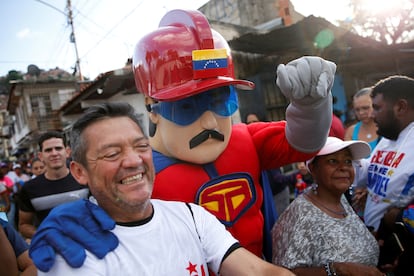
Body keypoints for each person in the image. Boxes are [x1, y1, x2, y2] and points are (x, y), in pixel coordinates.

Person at [28, 9, 336, 269]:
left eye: (220, 100)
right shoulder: (137, 173)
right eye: (187, 105)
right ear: (152, 109)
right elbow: (106, 217)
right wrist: (78, 223)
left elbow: (304, 143)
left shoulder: (246, 140)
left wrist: (311, 107)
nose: (210, 120)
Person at [32, 102, 294, 276]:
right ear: (79, 171)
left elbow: (258, 272)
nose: (134, 161)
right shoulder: (72, 253)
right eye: (112, 153)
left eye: (141, 146)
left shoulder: (192, 217)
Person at [271, 136, 382, 275]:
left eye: (348, 161)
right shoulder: (301, 214)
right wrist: (337, 270)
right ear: (313, 168)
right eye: (332, 161)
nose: (343, 168)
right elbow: (285, 272)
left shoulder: (341, 199)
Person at [353, 75, 414, 274]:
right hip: (376, 245)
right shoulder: (390, 137)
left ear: (401, 107)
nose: (372, 115)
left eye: (377, 108)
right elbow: (372, 169)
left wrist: (396, 219)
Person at [18, 130, 89, 240]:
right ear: (41, 156)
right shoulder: (30, 188)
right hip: (53, 251)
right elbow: (23, 225)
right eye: (48, 150)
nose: (54, 153)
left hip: (90, 245)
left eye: (58, 148)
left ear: (67, 152)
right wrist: (46, 235)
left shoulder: (85, 179)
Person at [344, 87, 381, 151]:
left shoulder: (388, 128)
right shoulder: (351, 132)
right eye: (357, 110)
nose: (361, 113)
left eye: (365, 108)